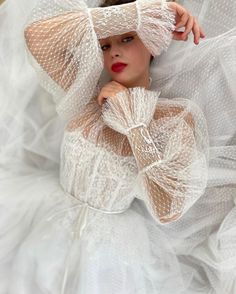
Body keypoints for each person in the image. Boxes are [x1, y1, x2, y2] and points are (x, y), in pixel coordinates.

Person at [0, 0, 235, 293]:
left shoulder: (173, 118)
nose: (114, 52)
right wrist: (141, 13)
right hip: (46, 228)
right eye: (104, 45)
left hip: (108, 258)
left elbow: (168, 208)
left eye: (127, 38)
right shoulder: (86, 95)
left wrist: (135, 124)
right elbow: (36, 36)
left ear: (152, 41)